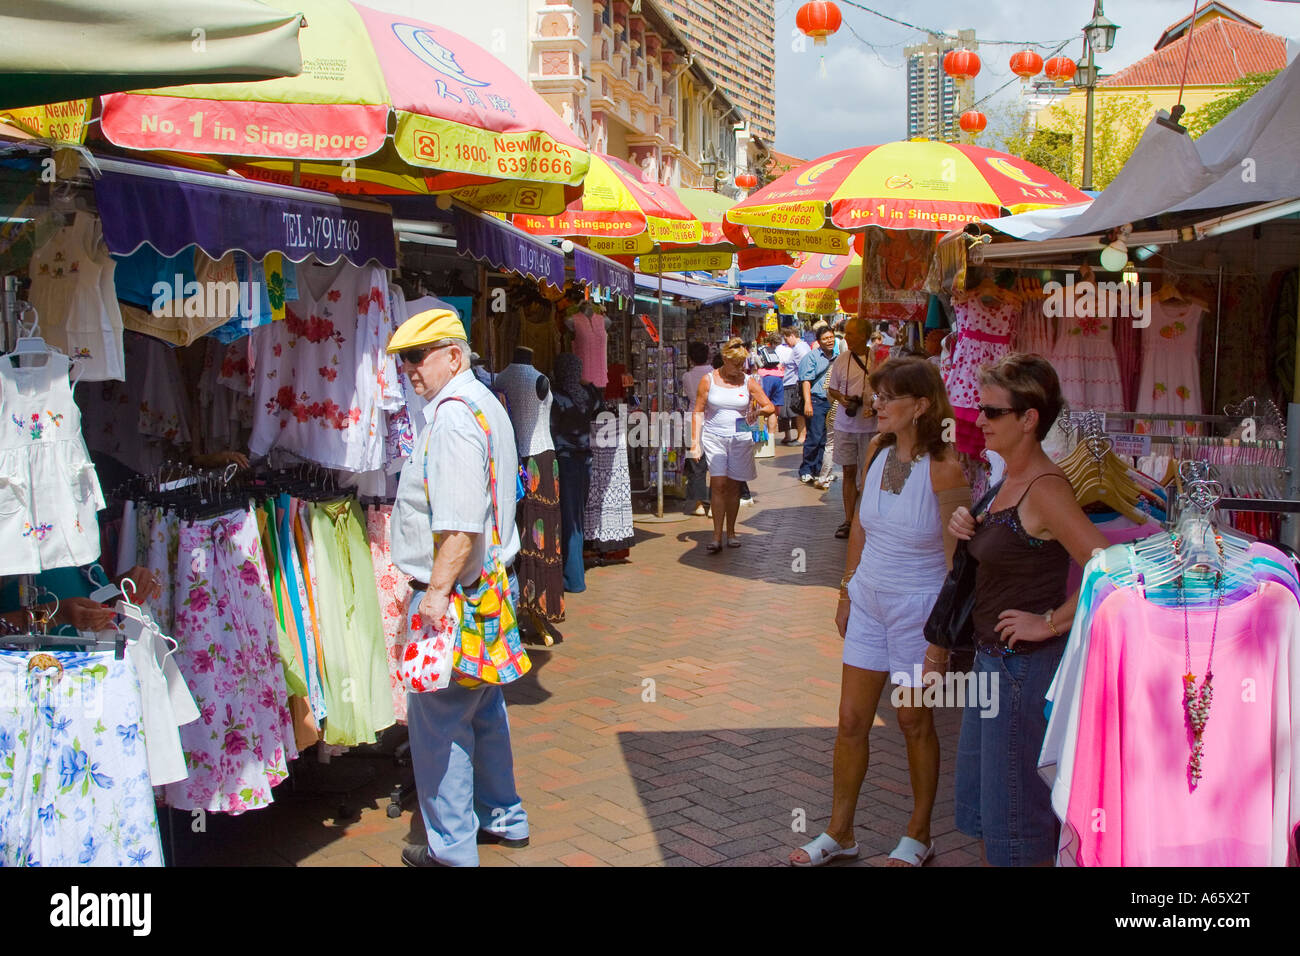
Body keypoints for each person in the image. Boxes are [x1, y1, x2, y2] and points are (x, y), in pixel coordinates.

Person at [790, 358, 970, 867]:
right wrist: (846, 592)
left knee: (914, 721)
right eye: (878, 394)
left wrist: (940, 642)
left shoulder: (945, 467)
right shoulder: (876, 448)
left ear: (922, 405)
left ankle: (918, 833)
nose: (878, 404)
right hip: (870, 598)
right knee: (850, 720)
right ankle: (840, 831)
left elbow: (958, 564)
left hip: (919, 607)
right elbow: (860, 529)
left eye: (889, 396)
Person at [947, 353, 1109, 867]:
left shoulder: (1047, 487)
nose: (979, 421)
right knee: (988, 812)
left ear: (1029, 418)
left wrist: (1050, 622)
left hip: (1020, 670)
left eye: (992, 412)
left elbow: (1109, 568)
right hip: (992, 666)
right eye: (980, 409)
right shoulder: (1008, 478)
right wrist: (967, 524)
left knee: (1016, 821)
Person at [387, 308, 532, 867]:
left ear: (453, 355)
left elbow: (459, 526)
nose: (409, 370)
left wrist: (434, 595)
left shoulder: (451, 419)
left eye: (417, 357)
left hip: (456, 594)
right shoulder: (482, 403)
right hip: (488, 587)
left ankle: (451, 849)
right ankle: (502, 815)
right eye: (403, 360)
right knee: (483, 707)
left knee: (439, 723)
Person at [690, 337, 775, 553]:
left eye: (742, 364)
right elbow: (698, 410)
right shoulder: (708, 379)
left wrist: (757, 411)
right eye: (736, 364)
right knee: (718, 483)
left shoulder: (748, 381)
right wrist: (695, 443)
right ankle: (716, 536)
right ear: (725, 359)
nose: (740, 368)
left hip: (741, 437)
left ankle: (731, 531)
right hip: (714, 436)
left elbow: (770, 406)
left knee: (734, 486)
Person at [551, 353, 603, 593]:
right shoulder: (587, 396)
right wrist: (588, 383)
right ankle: (575, 574)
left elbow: (551, 428)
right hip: (584, 460)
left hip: (567, 461)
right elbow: (598, 403)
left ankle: (573, 579)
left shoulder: (558, 396)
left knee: (569, 519)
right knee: (577, 518)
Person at [825, 316, 877, 536]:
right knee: (848, 471)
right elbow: (832, 389)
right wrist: (843, 399)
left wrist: (874, 404)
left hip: (871, 426)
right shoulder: (841, 359)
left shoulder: (878, 358)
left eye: (852, 334)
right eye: (846, 334)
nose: (847, 338)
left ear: (864, 336)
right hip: (845, 425)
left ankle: (866, 518)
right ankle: (848, 520)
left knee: (869, 473)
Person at [797, 326, 836, 484]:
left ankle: (820, 470)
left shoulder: (838, 356)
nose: (830, 341)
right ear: (819, 341)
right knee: (814, 437)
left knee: (826, 439)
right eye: (826, 338)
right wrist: (808, 403)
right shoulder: (811, 357)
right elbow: (805, 381)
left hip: (832, 402)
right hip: (816, 400)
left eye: (831, 337)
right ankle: (806, 469)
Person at [681, 342, 714, 517]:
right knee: (716, 464)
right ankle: (714, 504)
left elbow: (688, 395)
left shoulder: (687, 376)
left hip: (692, 420)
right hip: (711, 420)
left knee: (696, 466)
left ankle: (700, 504)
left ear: (691, 358)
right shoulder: (714, 374)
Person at [777, 325, 811, 444]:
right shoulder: (802, 346)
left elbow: (803, 365)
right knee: (796, 411)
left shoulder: (799, 348)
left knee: (797, 411)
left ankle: (801, 437)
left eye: (786, 339)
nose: (786, 342)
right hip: (793, 382)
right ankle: (800, 436)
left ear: (792, 336)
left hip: (794, 383)